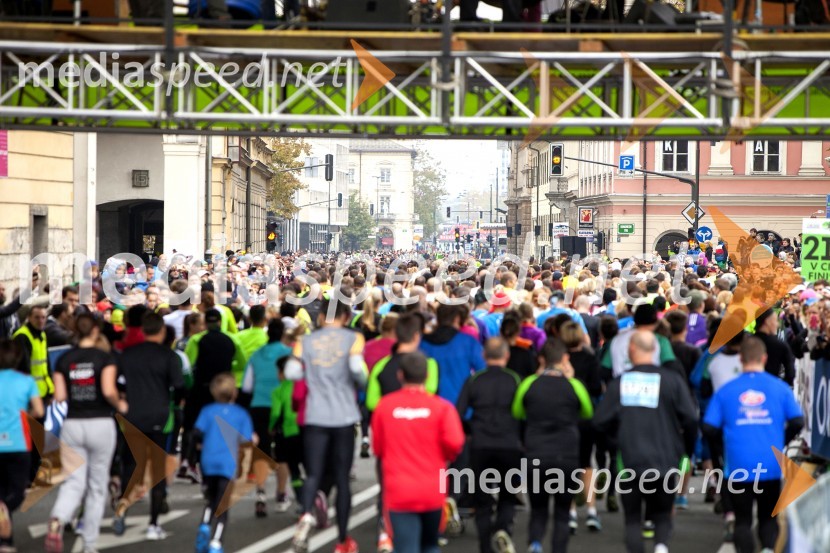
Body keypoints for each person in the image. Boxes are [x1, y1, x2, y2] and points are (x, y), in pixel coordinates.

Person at [594, 331, 697, 553]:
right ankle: (661, 546)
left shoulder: (620, 382)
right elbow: (690, 419)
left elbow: (599, 422)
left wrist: (615, 443)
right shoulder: (672, 381)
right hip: (666, 458)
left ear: (631, 350)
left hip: (629, 460)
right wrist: (684, 450)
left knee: (632, 519)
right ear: (656, 350)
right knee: (662, 514)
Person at [703, 336, 803, 553]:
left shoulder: (727, 390)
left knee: (742, 521)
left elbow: (709, 427)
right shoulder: (779, 388)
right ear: (764, 358)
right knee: (768, 518)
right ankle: (767, 549)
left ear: (740, 359)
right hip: (770, 464)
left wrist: (723, 445)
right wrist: (782, 441)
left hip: (737, 464)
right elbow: (797, 420)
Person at [286, 289, 368, 553]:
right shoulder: (354, 339)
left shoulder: (306, 341)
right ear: (346, 316)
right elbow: (357, 371)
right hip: (343, 415)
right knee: (342, 479)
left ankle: (306, 515)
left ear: (321, 317)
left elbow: (291, 371)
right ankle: (343, 539)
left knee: (313, 474)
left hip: (315, 415)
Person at [45, 313, 128, 553]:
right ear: (95, 331)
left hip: (73, 423)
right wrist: (121, 405)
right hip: (101, 423)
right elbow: (109, 391)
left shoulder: (64, 360)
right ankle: (90, 544)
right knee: (97, 485)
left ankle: (58, 517)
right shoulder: (105, 358)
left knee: (74, 481)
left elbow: (59, 397)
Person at [371, 351, 465, 553]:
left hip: (399, 491)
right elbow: (456, 443)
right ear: (428, 376)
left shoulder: (384, 407)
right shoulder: (442, 408)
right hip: (432, 490)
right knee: (430, 545)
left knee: (406, 547)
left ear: (400, 375)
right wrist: (444, 456)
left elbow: (378, 448)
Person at [512, 340, 593, 553]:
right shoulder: (574, 385)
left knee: (538, 509)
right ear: (565, 359)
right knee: (562, 512)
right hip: (566, 456)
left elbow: (517, 412)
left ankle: (535, 543)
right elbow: (587, 412)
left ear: (541, 359)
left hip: (535, 454)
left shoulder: (529, 383)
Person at [113, 312, 185, 540]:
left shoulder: (127, 355)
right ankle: (154, 524)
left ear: (143, 331)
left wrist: (124, 400)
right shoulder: (170, 356)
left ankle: (122, 509)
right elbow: (180, 387)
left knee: (130, 466)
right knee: (157, 471)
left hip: (131, 417)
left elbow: (117, 383)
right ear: (162, 331)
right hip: (161, 418)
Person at [455, 338, 522, 553]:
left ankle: (485, 546)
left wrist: (470, 429)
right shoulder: (515, 379)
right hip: (510, 444)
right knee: (508, 493)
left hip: (481, 444)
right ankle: (503, 527)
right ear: (507, 355)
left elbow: (459, 411)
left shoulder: (474, 380)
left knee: (482, 499)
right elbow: (524, 412)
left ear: (484, 356)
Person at [193, 373, 255, 553]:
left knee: (210, 499)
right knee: (223, 504)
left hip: (208, 461)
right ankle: (216, 542)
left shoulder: (207, 410)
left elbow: (197, 432)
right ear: (234, 392)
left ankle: (204, 524)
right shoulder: (241, 414)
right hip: (227, 463)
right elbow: (246, 441)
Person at [241, 318, 291, 518]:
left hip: (259, 405)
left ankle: (260, 493)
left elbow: (246, 386)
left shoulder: (256, 355)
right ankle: (280, 495)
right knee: (283, 452)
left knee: (261, 451)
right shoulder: (289, 354)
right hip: (282, 406)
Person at [0, 340, 44, 552]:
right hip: (18, 442)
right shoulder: (27, 381)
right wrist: (25, 417)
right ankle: (5, 516)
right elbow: (39, 411)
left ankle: (5, 541)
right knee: (17, 491)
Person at [559, 321, 603, 534]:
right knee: (587, 463)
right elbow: (596, 387)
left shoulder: (560, 359)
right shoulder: (590, 357)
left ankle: (571, 511)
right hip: (585, 416)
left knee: (567, 465)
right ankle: (592, 509)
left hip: (564, 416)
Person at [754, 308, 796, 387]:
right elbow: (790, 375)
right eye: (775, 321)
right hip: (770, 389)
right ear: (767, 322)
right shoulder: (780, 346)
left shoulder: (747, 343)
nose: (778, 324)